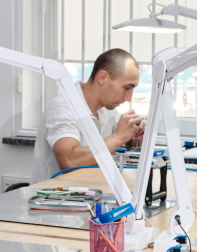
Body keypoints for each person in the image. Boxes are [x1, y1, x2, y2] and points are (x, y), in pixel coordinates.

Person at [30, 48, 145, 184]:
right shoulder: (62, 108)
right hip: (54, 195)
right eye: (127, 87)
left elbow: (118, 139)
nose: (128, 97)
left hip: (90, 190)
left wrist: (132, 138)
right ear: (102, 78)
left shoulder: (107, 109)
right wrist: (119, 137)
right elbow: (69, 161)